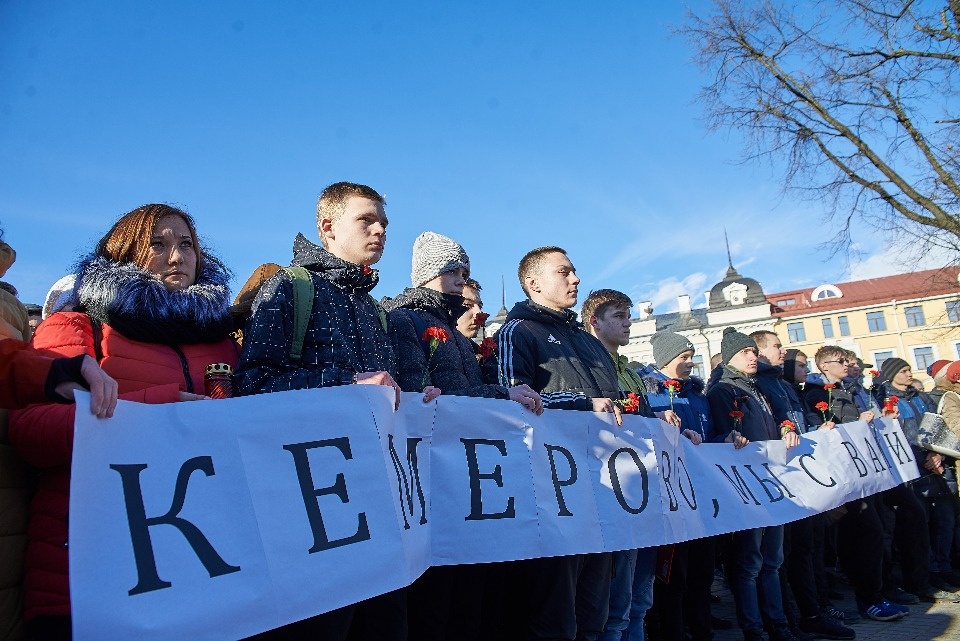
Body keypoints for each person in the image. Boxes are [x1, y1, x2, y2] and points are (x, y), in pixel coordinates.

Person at [9, 204, 238, 640]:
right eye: (158, 244)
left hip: (201, 565)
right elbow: (31, 430)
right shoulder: (79, 325)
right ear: (123, 254)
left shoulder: (222, 342)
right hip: (89, 569)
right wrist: (160, 411)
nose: (177, 257)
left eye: (186, 244)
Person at [233, 182, 408, 641]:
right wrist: (345, 385)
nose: (380, 231)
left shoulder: (375, 308)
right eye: (366, 220)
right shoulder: (291, 287)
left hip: (376, 504)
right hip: (312, 510)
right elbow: (253, 385)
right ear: (327, 227)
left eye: (384, 223)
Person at [383, 232, 542, 640]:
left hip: (467, 474)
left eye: (464, 272)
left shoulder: (449, 329)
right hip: (438, 475)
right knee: (439, 605)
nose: (460, 279)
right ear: (428, 274)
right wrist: (501, 394)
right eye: (451, 270)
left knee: (471, 602)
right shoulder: (407, 320)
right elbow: (423, 393)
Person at [495, 246, 621, 641]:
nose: (576, 278)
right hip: (556, 493)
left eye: (575, 271)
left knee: (595, 612)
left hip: (605, 485)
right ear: (532, 283)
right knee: (555, 618)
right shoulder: (518, 331)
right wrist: (583, 403)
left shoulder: (588, 341)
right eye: (563, 271)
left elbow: (615, 401)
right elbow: (511, 400)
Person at [706, 328, 800, 641]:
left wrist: (786, 428)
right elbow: (720, 436)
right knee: (749, 562)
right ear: (733, 354)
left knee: (773, 559)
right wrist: (730, 437)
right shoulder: (723, 390)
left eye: (754, 351)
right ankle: (753, 626)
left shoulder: (758, 387)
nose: (754, 357)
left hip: (772, 481)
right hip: (747, 484)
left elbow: (778, 418)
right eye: (747, 352)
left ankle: (778, 622)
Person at [580, 290, 659, 641]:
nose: (628, 322)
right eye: (618, 315)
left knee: (640, 599)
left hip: (644, 490)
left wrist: (663, 421)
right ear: (594, 321)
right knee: (616, 606)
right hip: (615, 491)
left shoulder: (630, 371)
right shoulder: (590, 368)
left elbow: (642, 419)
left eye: (629, 315)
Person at [874, 358, 960, 598]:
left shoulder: (921, 397)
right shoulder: (885, 399)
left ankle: (942, 569)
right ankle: (921, 580)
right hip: (910, 470)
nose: (909, 374)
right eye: (903, 371)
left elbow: (937, 425)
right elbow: (892, 435)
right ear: (891, 375)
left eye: (909, 369)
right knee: (917, 528)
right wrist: (918, 457)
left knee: (943, 522)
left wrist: (936, 453)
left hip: (935, 464)